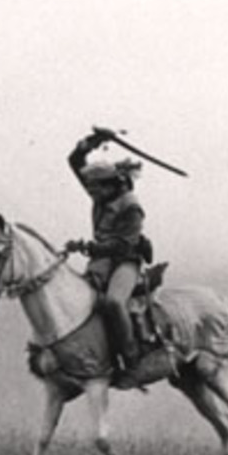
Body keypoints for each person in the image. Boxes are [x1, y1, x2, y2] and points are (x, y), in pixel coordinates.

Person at [66, 127, 151, 381]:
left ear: (110, 185)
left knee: (114, 302)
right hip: (101, 260)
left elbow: (124, 245)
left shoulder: (131, 206)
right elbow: (75, 161)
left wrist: (87, 247)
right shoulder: (101, 193)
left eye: (95, 190)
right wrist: (94, 141)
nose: (92, 194)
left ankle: (132, 358)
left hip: (126, 261)